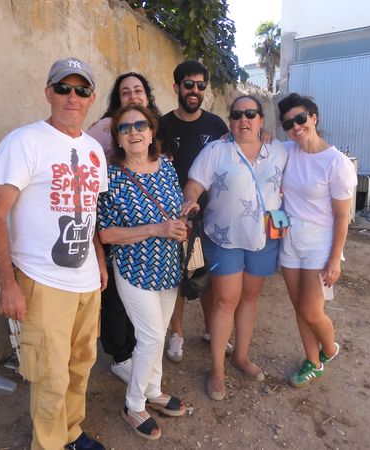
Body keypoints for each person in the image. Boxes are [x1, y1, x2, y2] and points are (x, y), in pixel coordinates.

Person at [0, 57, 107, 450]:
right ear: (48, 93)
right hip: (42, 281)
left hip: (86, 281)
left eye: (82, 90)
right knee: (50, 376)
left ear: (91, 99)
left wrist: (99, 260)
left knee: (81, 365)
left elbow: (90, 210)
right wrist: (7, 284)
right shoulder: (23, 142)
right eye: (63, 88)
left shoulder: (94, 149)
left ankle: (71, 433)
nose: (73, 97)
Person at [181, 95, 288, 400]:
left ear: (261, 119)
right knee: (226, 300)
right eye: (237, 114)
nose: (244, 120)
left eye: (251, 114)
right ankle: (217, 369)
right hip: (224, 237)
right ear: (230, 120)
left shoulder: (278, 150)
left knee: (250, 297)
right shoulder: (216, 151)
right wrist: (191, 199)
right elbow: (195, 183)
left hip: (264, 239)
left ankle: (241, 356)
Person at [97, 105, 187, 440]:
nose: (134, 132)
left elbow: (176, 209)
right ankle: (134, 404)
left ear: (151, 132)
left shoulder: (166, 167)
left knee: (159, 333)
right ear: (118, 139)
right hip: (134, 269)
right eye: (125, 128)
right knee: (150, 337)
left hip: (168, 266)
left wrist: (181, 224)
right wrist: (157, 229)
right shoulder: (112, 177)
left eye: (140, 125)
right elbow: (107, 234)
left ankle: (154, 390)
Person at [276, 93, 357, 388]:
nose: (295, 127)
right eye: (288, 123)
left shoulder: (337, 163)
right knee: (299, 306)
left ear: (313, 118)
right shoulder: (287, 151)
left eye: (300, 119)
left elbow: (342, 216)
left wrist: (335, 258)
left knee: (311, 310)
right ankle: (313, 361)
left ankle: (330, 348)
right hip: (289, 239)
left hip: (319, 243)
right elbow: (257, 146)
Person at [87, 73, 161, 384]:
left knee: (140, 298)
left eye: (138, 90)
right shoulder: (105, 129)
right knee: (116, 296)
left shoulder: (155, 124)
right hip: (113, 221)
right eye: (125, 92)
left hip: (147, 228)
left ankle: (138, 352)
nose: (132, 96)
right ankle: (120, 356)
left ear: (147, 95)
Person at [157, 60, 229, 363]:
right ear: (177, 87)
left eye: (201, 85)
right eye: (189, 85)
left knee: (207, 275)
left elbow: (235, 153)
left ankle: (212, 329)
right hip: (174, 216)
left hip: (211, 216)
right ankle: (177, 334)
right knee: (178, 277)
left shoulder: (216, 125)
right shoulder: (162, 125)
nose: (195, 91)